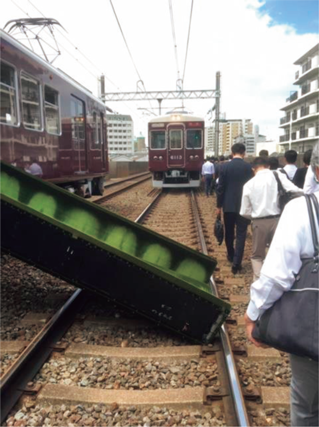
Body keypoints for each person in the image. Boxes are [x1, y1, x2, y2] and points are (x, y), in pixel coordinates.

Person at [244, 142, 319, 427]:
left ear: (315, 170)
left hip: (313, 330)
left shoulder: (303, 210)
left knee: (307, 408)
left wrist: (254, 314)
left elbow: (278, 274)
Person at [240, 156, 302, 281]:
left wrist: (255, 216)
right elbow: (295, 190)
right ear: (268, 166)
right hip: (277, 221)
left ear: (254, 169)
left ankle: (259, 281)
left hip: (258, 222)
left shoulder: (248, 184)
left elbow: (244, 211)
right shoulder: (277, 175)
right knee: (277, 252)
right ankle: (276, 279)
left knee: (257, 256)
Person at [216, 143, 253, 274]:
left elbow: (220, 188)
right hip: (244, 206)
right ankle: (237, 262)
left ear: (232, 153)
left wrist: (218, 206)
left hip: (228, 205)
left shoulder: (225, 167)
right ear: (243, 153)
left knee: (229, 232)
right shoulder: (249, 167)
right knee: (241, 233)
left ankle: (231, 255)